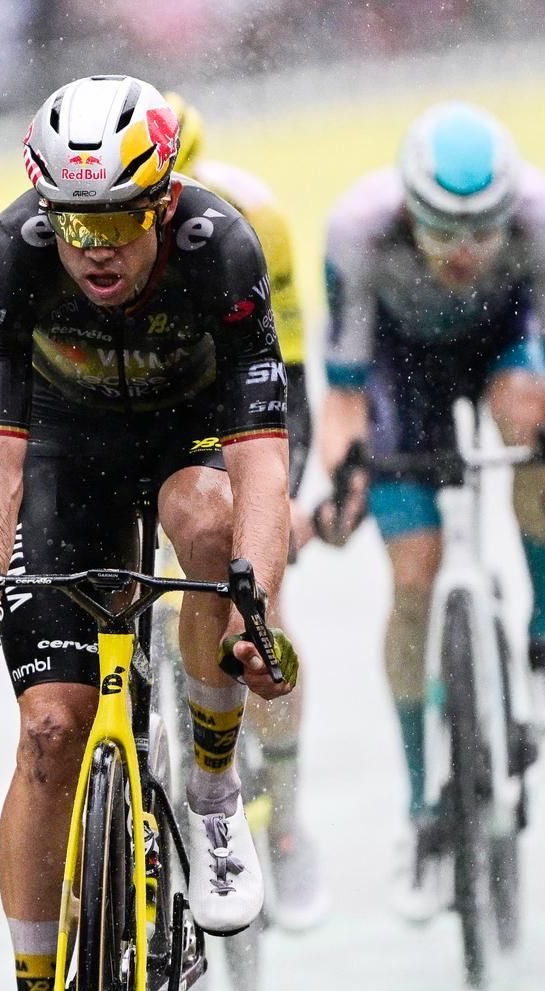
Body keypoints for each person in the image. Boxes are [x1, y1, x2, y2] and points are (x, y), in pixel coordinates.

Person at [0, 75, 298, 991]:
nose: (95, 247)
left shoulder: (221, 251)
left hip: (185, 451)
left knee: (215, 524)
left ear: (165, 205)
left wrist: (252, 609)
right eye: (74, 220)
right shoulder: (11, 254)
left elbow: (262, 460)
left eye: (119, 221)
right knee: (50, 730)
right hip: (65, 467)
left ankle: (214, 786)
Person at [308, 102, 545, 917]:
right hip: (399, 370)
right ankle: (417, 809)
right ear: (408, 208)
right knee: (413, 575)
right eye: (442, 230)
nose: (465, 251)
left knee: (530, 423)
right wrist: (345, 478)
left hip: (504, 347)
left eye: (482, 231)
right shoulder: (359, 231)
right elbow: (341, 403)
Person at [164, 91, 326, 931]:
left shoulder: (249, 220)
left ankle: (288, 818)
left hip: (225, 403)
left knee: (259, 591)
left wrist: (283, 500)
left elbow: (284, 373)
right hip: (137, 403)